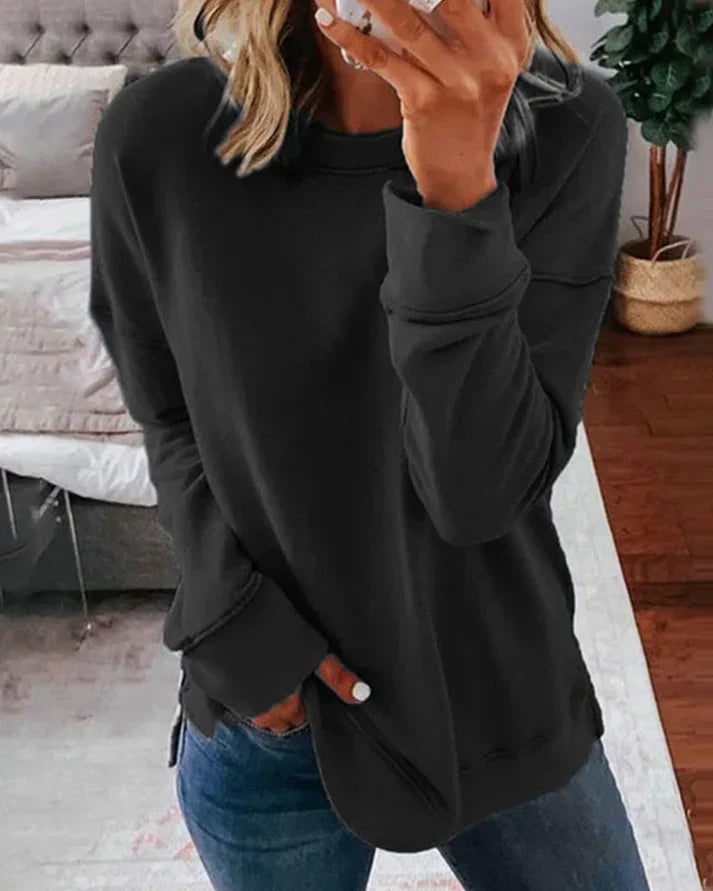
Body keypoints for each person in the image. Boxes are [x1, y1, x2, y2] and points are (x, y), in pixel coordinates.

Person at [88, 0, 650, 887]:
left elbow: (478, 495)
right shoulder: (159, 135)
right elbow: (165, 414)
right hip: (274, 715)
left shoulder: (569, 128)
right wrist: (237, 628)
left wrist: (456, 196)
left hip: (500, 695)